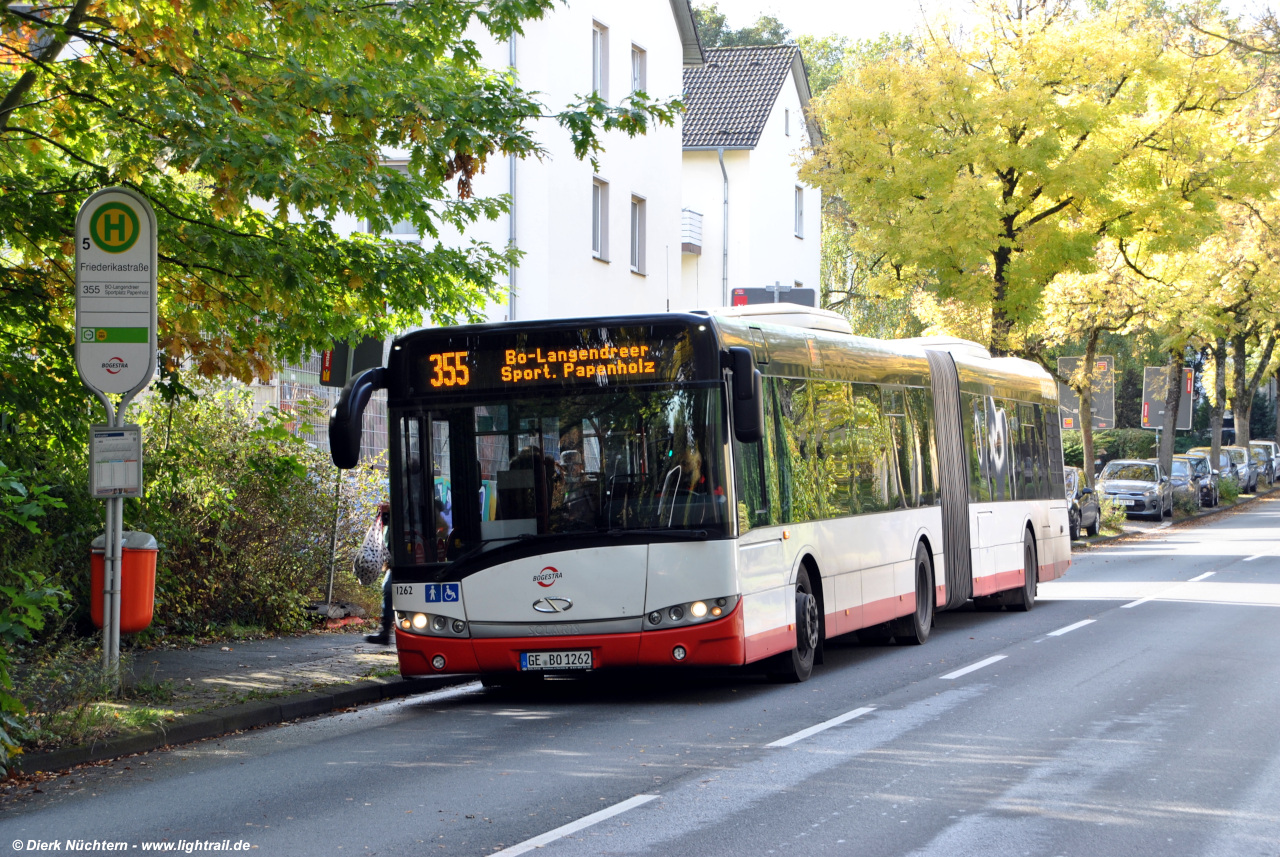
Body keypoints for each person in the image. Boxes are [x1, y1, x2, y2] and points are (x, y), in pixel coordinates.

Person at [365, 503, 393, 645]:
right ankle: (385, 632)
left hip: (406, 559)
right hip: (394, 561)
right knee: (388, 589)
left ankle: (386, 632)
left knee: (388, 589)